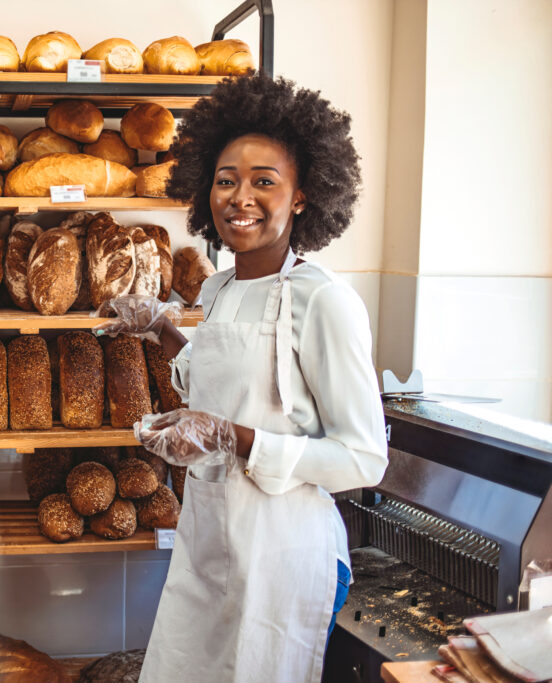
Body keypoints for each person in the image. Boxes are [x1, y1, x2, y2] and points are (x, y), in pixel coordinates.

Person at [95, 75, 388, 682]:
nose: (240, 197)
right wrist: (158, 326)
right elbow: (219, 384)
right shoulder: (218, 287)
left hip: (282, 552)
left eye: (264, 181)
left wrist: (234, 437)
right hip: (208, 540)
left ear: (303, 195)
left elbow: (363, 459)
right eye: (226, 180)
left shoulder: (322, 300)